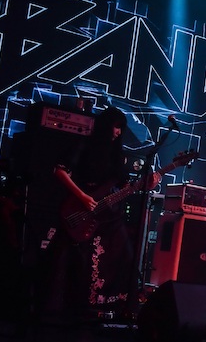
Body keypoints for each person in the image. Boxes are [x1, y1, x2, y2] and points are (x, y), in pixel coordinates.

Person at [46, 106, 160, 321]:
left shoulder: (118, 155)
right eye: (116, 127)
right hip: (81, 208)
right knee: (73, 262)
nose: (118, 132)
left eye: (121, 128)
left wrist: (146, 185)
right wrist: (83, 197)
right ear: (105, 125)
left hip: (108, 215)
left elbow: (124, 186)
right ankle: (72, 309)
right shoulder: (84, 145)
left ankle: (115, 309)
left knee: (125, 256)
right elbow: (59, 171)